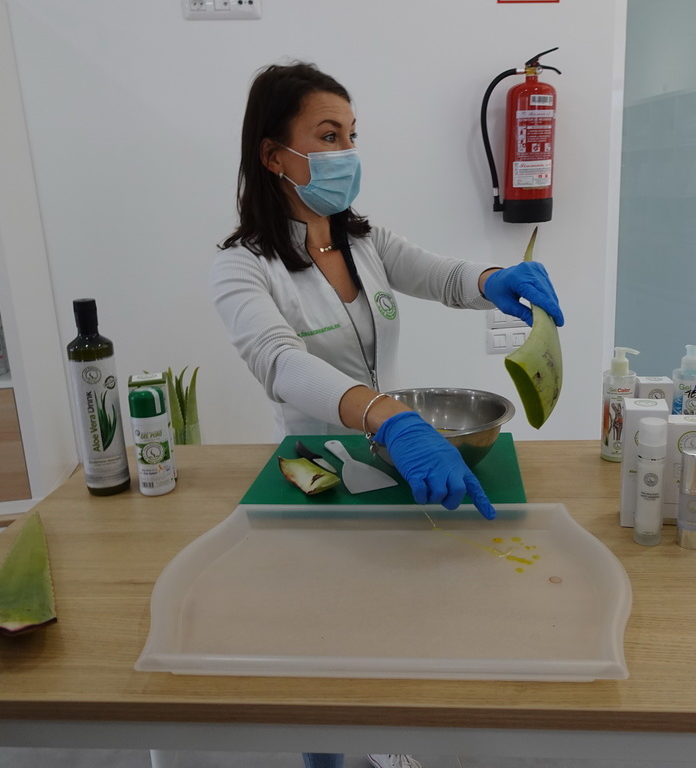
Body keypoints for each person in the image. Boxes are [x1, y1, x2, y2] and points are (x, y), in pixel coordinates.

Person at [210, 62, 564, 768]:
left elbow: (439, 273)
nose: (346, 153)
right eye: (328, 135)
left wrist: (497, 280)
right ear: (274, 154)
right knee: (324, 645)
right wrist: (387, 418)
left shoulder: (363, 243)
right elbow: (280, 362)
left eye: (351, 135)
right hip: (324, 476)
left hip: (401, 461)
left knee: (399, 622)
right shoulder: (243, 267)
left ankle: (388, 739)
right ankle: (329, 753)